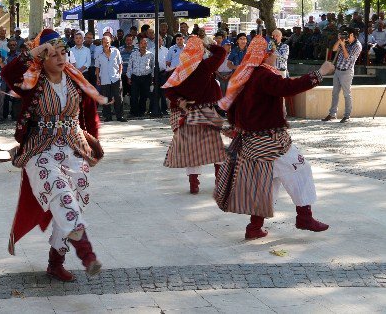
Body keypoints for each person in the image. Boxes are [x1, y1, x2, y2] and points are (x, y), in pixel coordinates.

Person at [2, 28, 107, 281]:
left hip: (73, 146)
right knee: (61, 194)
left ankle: (55, 261)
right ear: (42, 59)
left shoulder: (76, 80)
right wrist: (36, 51)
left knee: (77, 198)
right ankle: (87, 254)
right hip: (40, 149)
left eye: (63, 52)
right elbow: (8, 73)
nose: (60, 58)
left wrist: (93, 146)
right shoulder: (32, 82)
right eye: (53, 54)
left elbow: (90, 117)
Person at [215, 36, 335, 239]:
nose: (276, 56)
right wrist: (320, 73)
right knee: (301, 169)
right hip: (270, 142)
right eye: (273, 52)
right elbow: (288, 87)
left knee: (267, 182)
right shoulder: (263, 75)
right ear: (266, 55)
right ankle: (304, 217)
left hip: (253, 142)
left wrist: (236, 126)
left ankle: (254, 228)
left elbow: (233, 105)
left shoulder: (245, 74)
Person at [163, 36, 226, 194]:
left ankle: (194, 184)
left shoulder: (179, 70)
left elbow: (168, 89)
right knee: (216, 147)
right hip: (206, 111)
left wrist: (179, 101)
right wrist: (209, 44)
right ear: (200, 51)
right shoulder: (204, 66)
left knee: (192, 149)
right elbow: (222, 53)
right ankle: (219, 181)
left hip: (185, 112)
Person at [322, 28, 361, 123]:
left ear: (352, 35)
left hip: (347, 72)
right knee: (335, 93)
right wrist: (339, 41)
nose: (346, 37)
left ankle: (347, 115)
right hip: (338, 70)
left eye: (348, 35)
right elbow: (334, 49)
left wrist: (343, 46)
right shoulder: (345, 42)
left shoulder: (357, 45)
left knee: (347, 94)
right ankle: (332, 114)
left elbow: (348, 58)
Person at [95, 35, 124, 122]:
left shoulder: (116, 51)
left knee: (118, 97)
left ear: (110, 42)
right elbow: (97, 68)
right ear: (102, 44)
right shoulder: (99, 55)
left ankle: (120, 116)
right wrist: (97, 78)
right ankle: (108, 116)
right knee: (106, 98)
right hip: (104, 78)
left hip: (115, 78)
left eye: (107, 42)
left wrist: (119, 74)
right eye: (104, 42)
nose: (106, 44)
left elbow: (120, 64)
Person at [126, 37, 154, 117]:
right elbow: (129, 66)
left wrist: (152, 78)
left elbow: (152, 67)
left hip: (146, 77)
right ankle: (133, 112)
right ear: (138, 44)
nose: (143, 45)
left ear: (147, 45)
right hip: (135, 77)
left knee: (144, 95)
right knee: (134, 95)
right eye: (141, 43)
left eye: (145, 43)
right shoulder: (133, 54)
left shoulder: (150, 55)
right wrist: (128, 77)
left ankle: (141, 112)